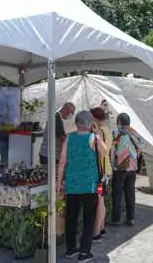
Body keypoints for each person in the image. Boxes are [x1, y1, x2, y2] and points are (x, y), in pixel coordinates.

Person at [57, 111, 106, 262]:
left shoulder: (69, 138)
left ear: (77, 123)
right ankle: (84, 252)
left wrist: (59, 182)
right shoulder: (93, 138)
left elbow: (63, 162)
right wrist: (97, 135)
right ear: (90, 123)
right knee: (88, 219)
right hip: (90, 185)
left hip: (72, 184)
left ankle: (71, 249)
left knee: (71, 217)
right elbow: (105, 152)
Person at [110, 113, 140, 226]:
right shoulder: (134, 133)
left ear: (119, 122)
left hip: (120, 167)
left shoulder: (116, 133)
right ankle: (130, 218)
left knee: (117, 194)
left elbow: (112, 149)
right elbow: (141, 143)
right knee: (130, 193)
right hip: (132, 167)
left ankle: (116, 219)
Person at [89, 107, 112, 242]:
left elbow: (98, 151)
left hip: (101, 170)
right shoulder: (107, 129)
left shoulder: (100, 132)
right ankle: (101, 227)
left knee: (99, 201)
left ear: (95, 118)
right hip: (106, 169)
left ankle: (96, 232)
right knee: (101, 200)